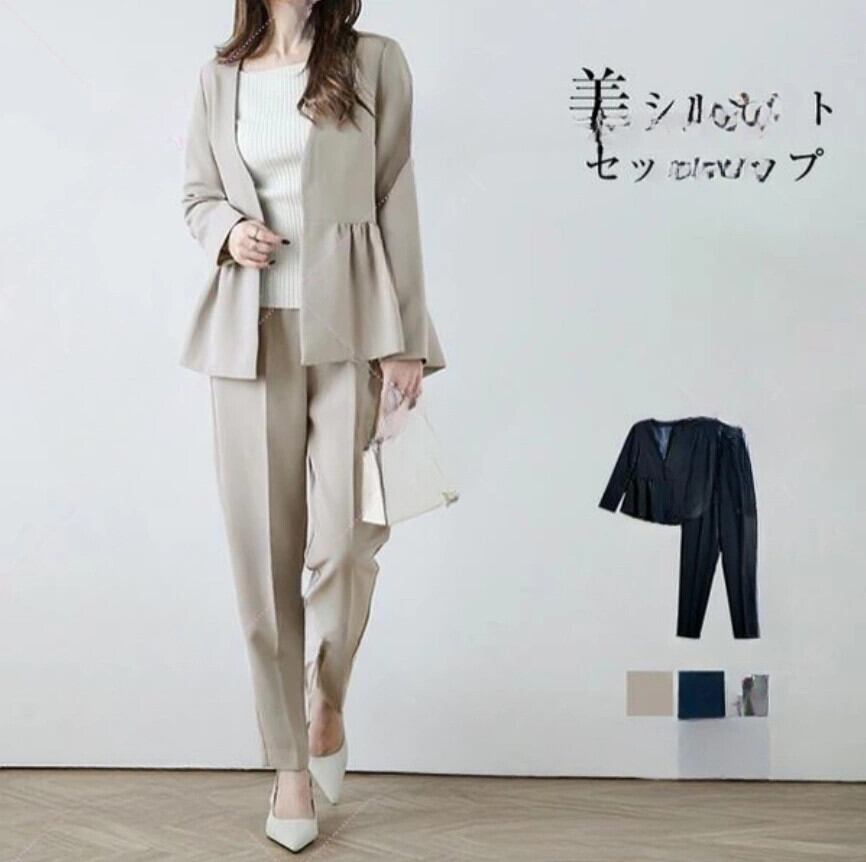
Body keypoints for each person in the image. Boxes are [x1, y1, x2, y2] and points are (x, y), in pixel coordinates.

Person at [179, 0, 446, 851]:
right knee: (264, 562)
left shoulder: (374, 61)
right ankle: (290, 766)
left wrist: (406, 339)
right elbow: (196, 195)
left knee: (347, 543)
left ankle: (325, 697)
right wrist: (229, 232)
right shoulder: (219, 77)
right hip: (249, 335)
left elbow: (395, 194)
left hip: (352, 329)